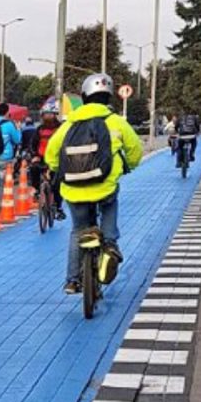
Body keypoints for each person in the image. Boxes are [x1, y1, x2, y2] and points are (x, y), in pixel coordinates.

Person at [45, 73, 142, 294]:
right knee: (109, 212)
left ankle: (72, 280)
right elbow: (135, 151)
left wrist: (56, 170)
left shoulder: (70, 123)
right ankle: (109, 246)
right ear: (108, 98)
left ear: (85, 96)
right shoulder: (116, 122)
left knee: (78, 230)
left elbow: (51, 154)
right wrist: (128, 167)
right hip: (104, 187)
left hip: (73, 188)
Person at [30, 102, 66, 220]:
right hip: (41, 158)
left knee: (56, 184)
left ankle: (58, 208)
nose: (47, 117)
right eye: (45, 115)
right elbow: (33, 144)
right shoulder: (39, 130)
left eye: (50, 114)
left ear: (55, 115)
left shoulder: (61, 129)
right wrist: (34, 155)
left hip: (56, 160)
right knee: (33, 168)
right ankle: (37, 190)